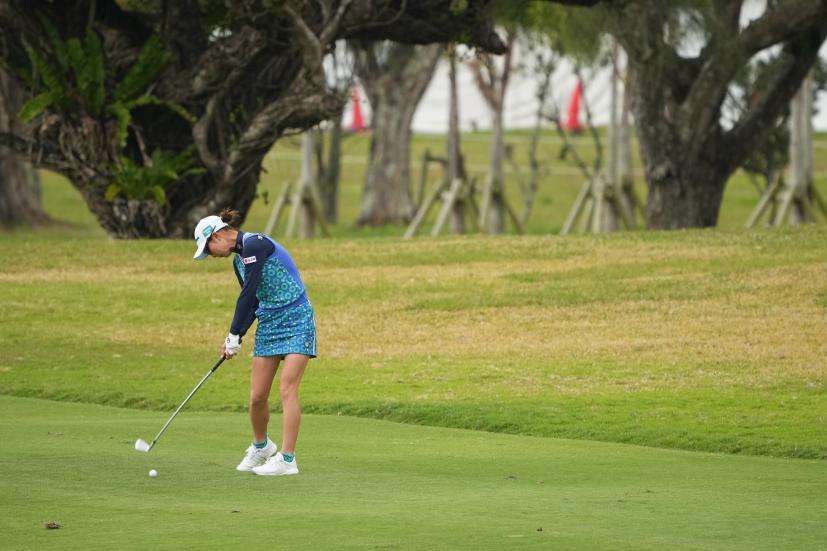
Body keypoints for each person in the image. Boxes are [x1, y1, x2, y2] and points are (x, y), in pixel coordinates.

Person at [192, 209, 316, 476]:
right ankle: (262, 446)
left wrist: (233, 331)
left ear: (217, 236)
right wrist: (235, 337)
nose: (211, 255)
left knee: (287, 388)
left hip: (297, 317)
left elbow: (247, 294)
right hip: (270, 323)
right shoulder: (239, 262)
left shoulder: (255, 244)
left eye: (208, 249)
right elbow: (254, 303)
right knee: (258, 396)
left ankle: (287, 459)